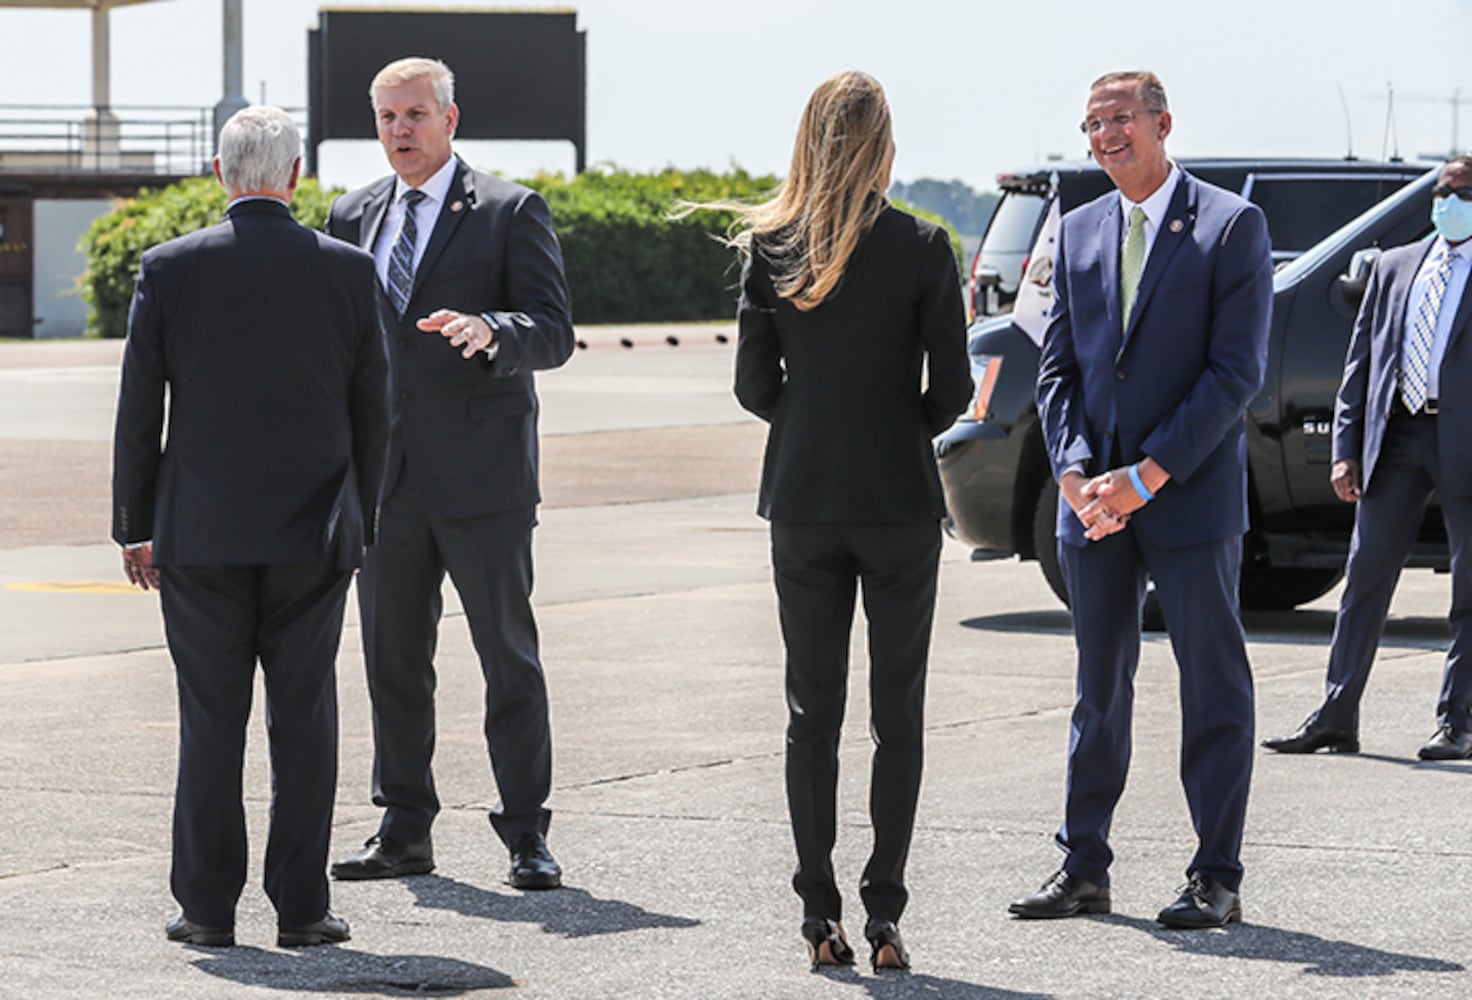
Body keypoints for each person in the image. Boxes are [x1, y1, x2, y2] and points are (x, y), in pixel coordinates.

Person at [111, 105, 389, 948]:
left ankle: (205, 909)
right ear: (296, 175)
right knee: (304, 725)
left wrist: (135, 525)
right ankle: (302, 911)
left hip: (197, 536)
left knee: (210, 722)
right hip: (310, 539)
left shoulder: (169, 267)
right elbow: (376, 411)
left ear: (222, 174)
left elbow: (138, 410)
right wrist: (361, 520)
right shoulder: (347, 271)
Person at [1010, 70, 1273, 929]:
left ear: (1163, 122)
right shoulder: (1078, 227)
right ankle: (1083, 865)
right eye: (1091, 122)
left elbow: (1235, 373)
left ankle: (1216, 875)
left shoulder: (1231, 226)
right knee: (1098, 690)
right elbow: (1057, 372)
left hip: (1187, 500)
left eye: (1119, 118)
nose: (1104, 134)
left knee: (1213, 684)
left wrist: (1148, 474)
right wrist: (1079, 472)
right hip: (1092, 506)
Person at [727, 70, 971, 971]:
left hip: (803, 500)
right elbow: (951, 389)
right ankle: (885, 914)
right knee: (895, 712)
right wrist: (898, 424)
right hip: (899, 502)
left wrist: (811, 418)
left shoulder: (772, 245)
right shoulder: (922, 244)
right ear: (885, 149)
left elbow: (754, 387)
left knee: (810, 711)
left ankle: (816, 911)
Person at [325, 57, 575, 889]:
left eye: (415, 115)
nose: (400, 131)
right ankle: (402, 829)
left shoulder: (509, 211)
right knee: (393, 661)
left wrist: (491, 328)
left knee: (508, 658)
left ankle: (526, 834)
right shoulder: (352, 213)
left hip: (484, 477)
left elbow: (553, 330)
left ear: (451, 119)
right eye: (387, 118)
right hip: (385, 485)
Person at [1263, 157, 1472, 761]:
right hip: (1397, 438)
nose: (1447, 202)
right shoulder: (1393, 266)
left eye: (1461, 193)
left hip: (1463, 441)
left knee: (1468, 588)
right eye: (1440, 192)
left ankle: (1456, 721)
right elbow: (1361, 365)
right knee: (1364, 580)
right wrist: (1344, 450)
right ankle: (1335, 715)